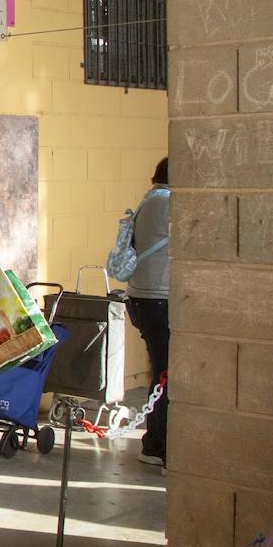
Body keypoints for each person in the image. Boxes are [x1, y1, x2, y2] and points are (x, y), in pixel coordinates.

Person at [126, 157, 170, 468]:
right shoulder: (168, 203)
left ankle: (156, 441)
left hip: (144, 298)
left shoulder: (150, 200)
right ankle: (157, 443)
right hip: (157, 300)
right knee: (168, 375)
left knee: (162, 371)